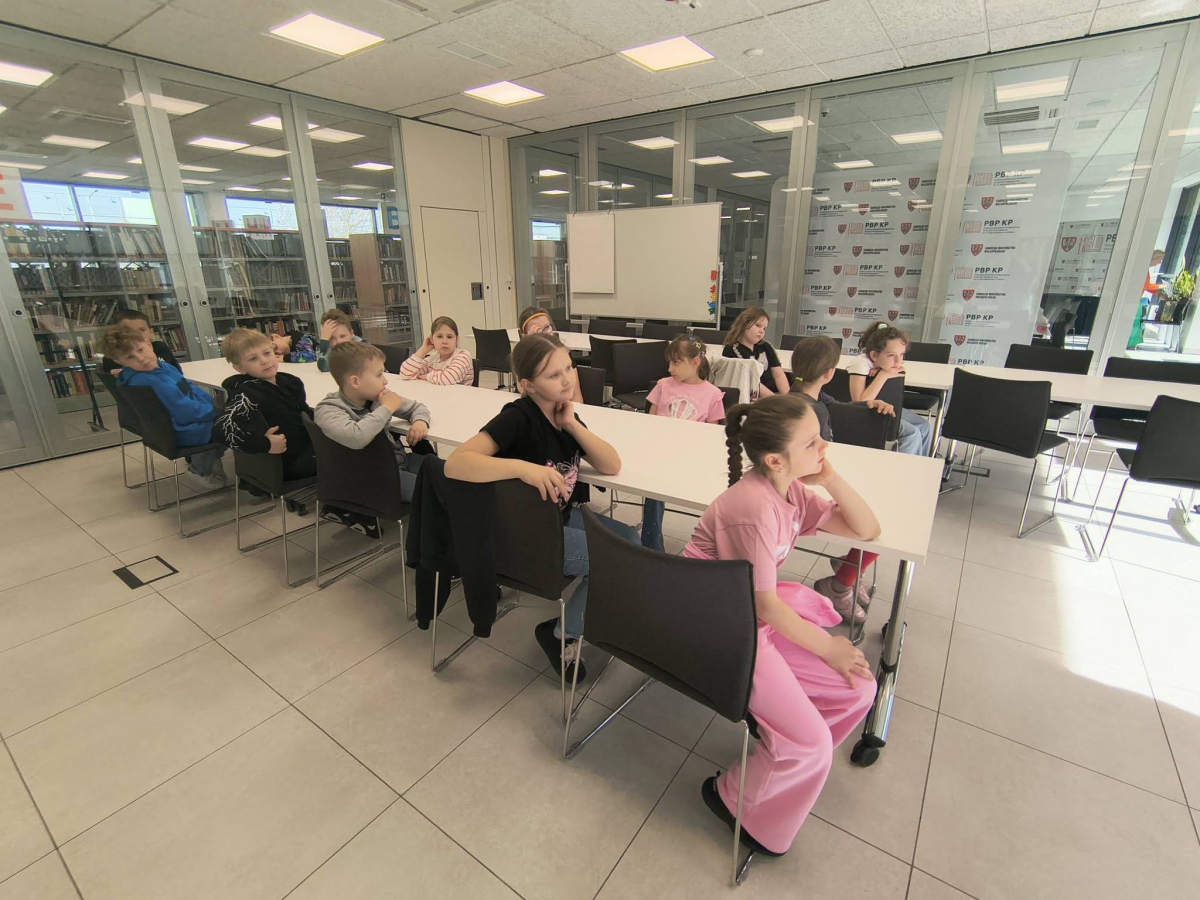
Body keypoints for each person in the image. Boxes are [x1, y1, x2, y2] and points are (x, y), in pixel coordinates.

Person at [684, 394, 878, 859]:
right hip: (718, 624)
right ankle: (734, 797)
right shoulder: (753, 506)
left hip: (748, 614)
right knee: (813, 739)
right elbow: (766, 606)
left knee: (858, 690)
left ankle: (785, 756)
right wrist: (828, 649)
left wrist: (827, 475)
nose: (824, 446)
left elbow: (866, 530)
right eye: (812, 442)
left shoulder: (789, 489)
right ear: (775, 459)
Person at [444, 332, 639, 679]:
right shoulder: (518, 417)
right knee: (615, 561)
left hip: (555, 518)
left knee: (631, 542)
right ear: (528, 385)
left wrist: (572, 425)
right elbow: (455, 463)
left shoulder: (562, 412)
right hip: (524, 536)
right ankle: (561, 634)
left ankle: (595, 611)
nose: (567, 379)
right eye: (553, 375)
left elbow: (611, 465)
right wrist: (523, 468)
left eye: (569, 368)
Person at [790, 336, 894, 622]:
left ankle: (848, 570)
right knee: (881, 519)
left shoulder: (806, 398)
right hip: (811, 483)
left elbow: (836, 405)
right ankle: (843, 581)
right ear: (829, 373)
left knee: (874, 511)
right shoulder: (808, 410)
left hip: (817, 477)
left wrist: (868, 404)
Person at [98, 325, 224, 488]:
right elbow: (184, 411)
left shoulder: (161, 368)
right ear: (120, 362)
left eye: (141, 350)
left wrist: (212, 405)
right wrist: (217, 411)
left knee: (226, 416)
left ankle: (210, 460)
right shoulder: (149, 380)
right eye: (130, 357)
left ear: (148, 344)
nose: (140, 358)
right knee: (231, 426)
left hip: (175, 424)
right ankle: (199, 470)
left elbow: (189, 387)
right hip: (182, 429)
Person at [314, 342, 433, 503]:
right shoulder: (328, 410)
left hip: (400, 461)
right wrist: (386, 408)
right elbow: (357, 437)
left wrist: (420, 421)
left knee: (453, 474)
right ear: (355, 382)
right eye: (379, 375)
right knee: (438, 493)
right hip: (374, 477)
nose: (385, 381)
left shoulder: (376, 395)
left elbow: (417, 407)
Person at [640, 334, 726, 552]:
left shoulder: (712, 394)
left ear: (695, 362)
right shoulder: (663, 385)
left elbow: (712, 436)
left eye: (676, 363)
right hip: (660, 452)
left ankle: (709, 546)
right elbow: (649, 423)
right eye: (669, 362)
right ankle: (651, 547)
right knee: (653, 486)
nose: (670, 369)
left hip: (691, 457)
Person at [216, 328, 316, 483]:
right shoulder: (247, 393)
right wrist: (266, 444)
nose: (264, 361)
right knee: (353, 454)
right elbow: (221, 429)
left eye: (267, 353)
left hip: (308, 449)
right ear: (240, 368)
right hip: (289, 463)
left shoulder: (290, 382)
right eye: (253, 359)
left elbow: (304, 414)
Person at [847, 321, 931, 456]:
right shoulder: (860, 363)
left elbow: (900, 370)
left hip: (884, 407)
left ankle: (922, 464)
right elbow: (859, 403)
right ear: (874, 355)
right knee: (912, 433)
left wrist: (881, 369)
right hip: (866, 414)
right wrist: (883, 375)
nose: (899, 361)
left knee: (923, 425)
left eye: (902, 354)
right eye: (891, 355)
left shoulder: (882, 363)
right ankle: (903, 468)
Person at [518, 306, 584, 402]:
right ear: (525, 336)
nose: (545, 334)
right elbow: (522, 391)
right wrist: (532, 346)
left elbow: (576, 396)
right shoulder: (523, 358)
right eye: (537, 331)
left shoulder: (563, 354)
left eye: (547, 328)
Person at [723, 306, 789, 397]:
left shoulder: (765, 346)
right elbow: (752, 382)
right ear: (745, 324)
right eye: (758, 325)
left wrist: (787, 397)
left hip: (774, 394)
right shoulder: (732, 349)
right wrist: (775, 399)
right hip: (753, 396)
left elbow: (779, 375)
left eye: (764, 328)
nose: (761, 331)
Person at [99, 308, 180, 374]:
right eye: (128, 331)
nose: (137, 334)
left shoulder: (160, 347)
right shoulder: (114, 357)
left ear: (151, 332)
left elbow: (177, 371)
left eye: (142, 330)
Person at [399, 315, 473, 386]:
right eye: (439, 336)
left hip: (459, 394)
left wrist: (426, 376)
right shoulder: (433, 357)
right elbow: (405, 374)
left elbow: (449, 378)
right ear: (432, 339)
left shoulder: (463, 356)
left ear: (456, 339)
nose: (444, 341)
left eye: (449, 337)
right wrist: (423, 350)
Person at [1128, 249, 1165, 350]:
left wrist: (1159, 293)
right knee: (1134, 323)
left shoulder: (1144, 269)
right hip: (1132, 300)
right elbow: (1146, 285)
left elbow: (1146, 286)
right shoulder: (1142, 269)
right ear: (1155, 258)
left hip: (1135, 299)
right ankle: (1129, 343)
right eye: (1159, 260)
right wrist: (1161, 286)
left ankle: (1131, 343)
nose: (1159, 263)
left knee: (1135, 322)